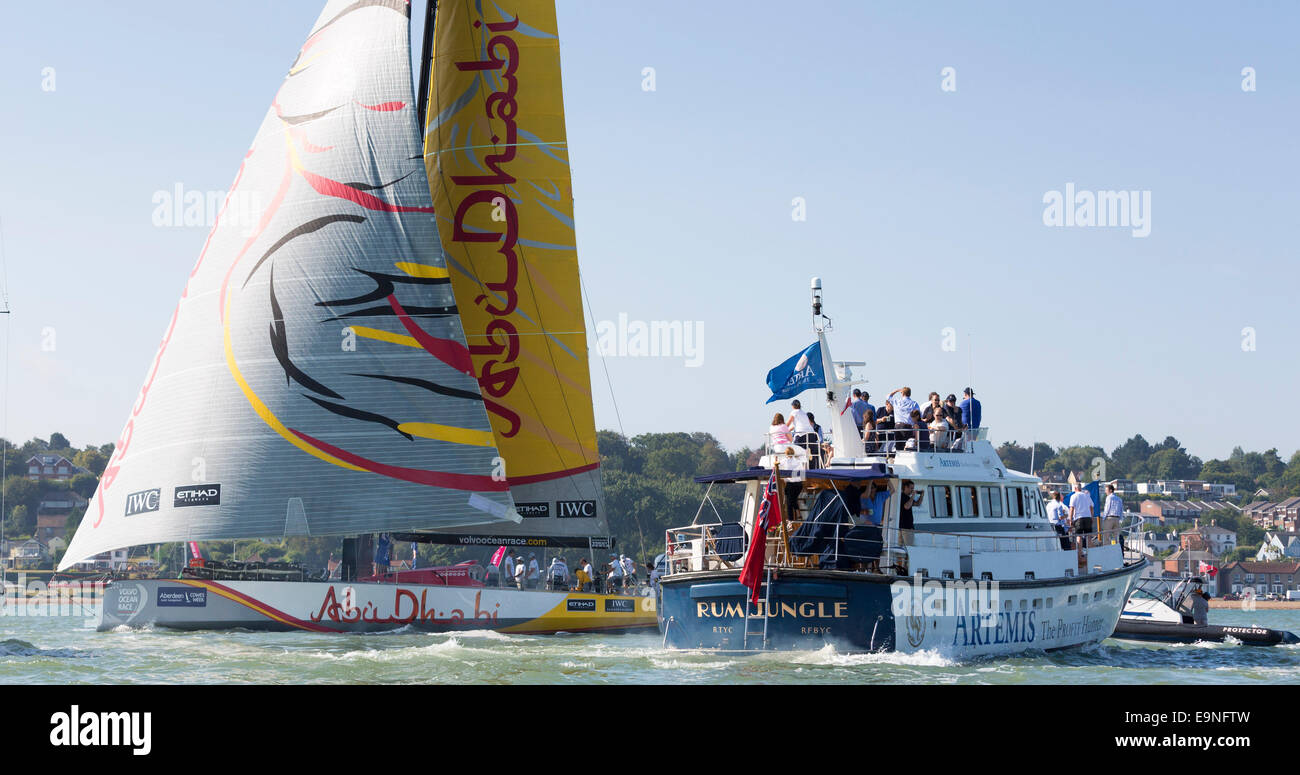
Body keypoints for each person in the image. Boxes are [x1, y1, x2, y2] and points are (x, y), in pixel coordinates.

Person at [1068, 483, 1095, 548]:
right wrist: (1091, 517)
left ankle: (1079, 554)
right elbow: (1091, 507)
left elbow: (1071, 508)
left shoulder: (1073, 496)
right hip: (1088, 518)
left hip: (1079, 518)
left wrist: (1070, 520)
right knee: (1088, 537)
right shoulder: (1086, 495)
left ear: (1075, 488)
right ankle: (1091, 554)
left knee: (1079, 537)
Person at [1102, 484, 1125, 549]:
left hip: (1109, 518)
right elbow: (1121, 510)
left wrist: (1104, 517)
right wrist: (1120, 519)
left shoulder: (1109, 497)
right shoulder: (1119, 499)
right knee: (1116, 536)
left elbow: (1107, 508)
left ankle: (1107, 549)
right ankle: (1116, 549)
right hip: (1117, 518)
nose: (1105, 492)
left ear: (1110, 490)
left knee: (1106, 535)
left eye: (1106, 490)